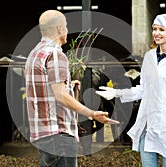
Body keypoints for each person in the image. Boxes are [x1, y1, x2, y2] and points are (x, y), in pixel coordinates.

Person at [96, 14, 166, 167]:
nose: (156, 33)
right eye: (154, 29)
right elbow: (143, 89)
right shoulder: (149, 57)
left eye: (162, 29)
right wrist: (117, 93)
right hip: (147, 123)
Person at [25, 10, 119, 167]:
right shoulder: (56, 55)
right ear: (60, 28)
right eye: (66, 26)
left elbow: (44, 89)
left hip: (42, 133)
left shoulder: (34, 53)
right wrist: (91, 113)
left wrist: (69, 87)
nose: (67, 31)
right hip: (59, 134)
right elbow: (60, 95)